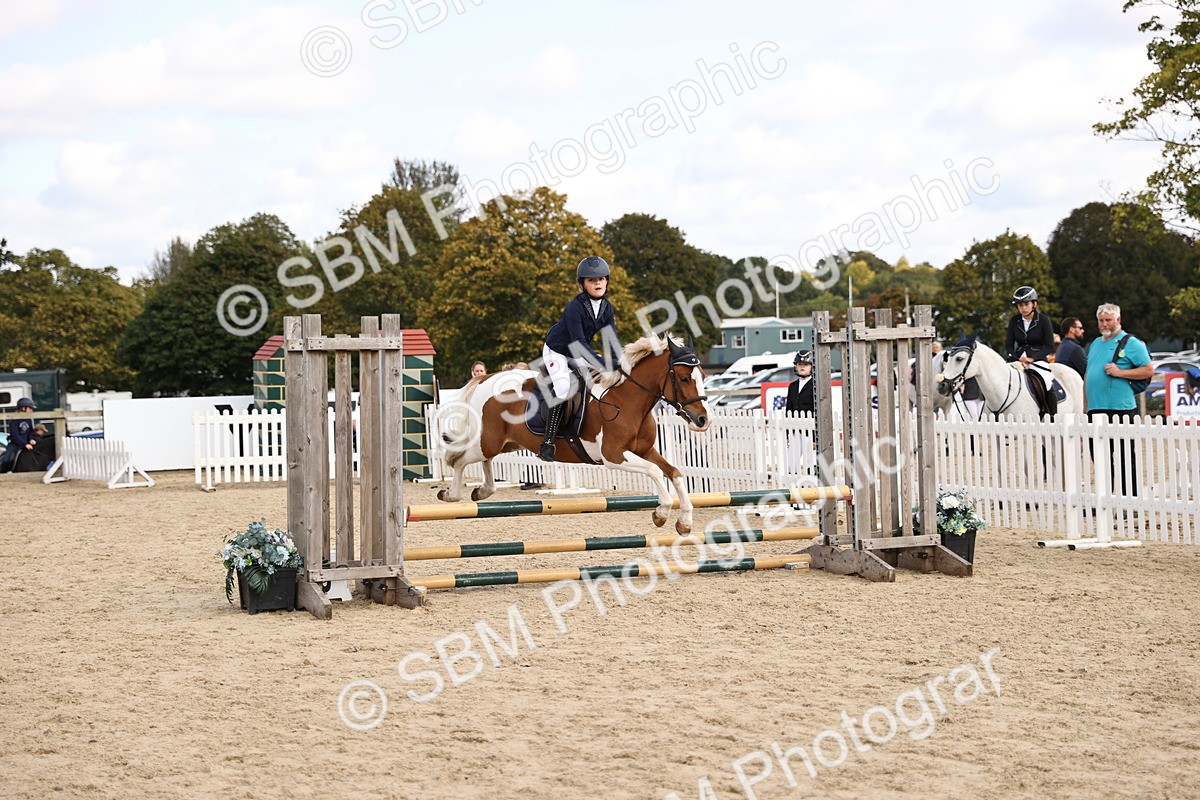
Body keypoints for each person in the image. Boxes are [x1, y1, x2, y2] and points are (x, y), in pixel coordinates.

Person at [539, 255, 622, 461]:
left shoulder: (606, 307)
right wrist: (604, 363)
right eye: (592, 280)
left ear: (606, 281)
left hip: (579, 351)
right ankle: (547, 443)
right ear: (582, 284)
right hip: (557, 351)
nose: (598, 283)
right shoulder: (575, 307)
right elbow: (578, 344)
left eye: (601, 279)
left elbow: (611, 338)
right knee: (563, 386)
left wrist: (621, 361)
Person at [1084, 303, 1154, 498]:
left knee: (1124, 457)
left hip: (1120, 408)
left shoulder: (1131, 343)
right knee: (1098, 457)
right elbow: (1088, 375)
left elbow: (1148, 370)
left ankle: (1128, 500)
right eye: (1101, 321)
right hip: (1096, 409)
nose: (1104, 324)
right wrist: (1085, 404)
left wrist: (1120, 372)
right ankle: (1105, 498)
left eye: (1108, 320)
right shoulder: (1096, 343)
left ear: (1118, 320)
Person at [1005, 286, 1055, 363]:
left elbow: (1049, 346)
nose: (1023, 308)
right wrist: (1015, 358)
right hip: (1018, 358)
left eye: (1026, 304)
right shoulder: (1014, 320)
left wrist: (1032, 358)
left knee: (1044, 375)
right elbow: (1009, 345)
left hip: (1038, 360)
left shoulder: (1044, 320)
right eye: (1020, 305)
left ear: (1034, 304)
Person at [1, 397, 39, 472]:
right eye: (30, 408)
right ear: (23, 408)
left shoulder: (29, 419)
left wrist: (32, 439)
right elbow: (15, 435)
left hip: (28, 443)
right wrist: (24, 444)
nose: (31, 410)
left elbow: (31, 431)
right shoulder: (14, 420)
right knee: (6, 459)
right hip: (16, 444)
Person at [785, 351, 815, 415]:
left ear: (812, 367)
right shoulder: (792, 386)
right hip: (794, 423)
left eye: (805, 364)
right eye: (799, 364)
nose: (802, 367)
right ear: (796, 366)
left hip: (810, 422)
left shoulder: (815, 385)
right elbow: (789, 409)